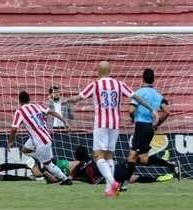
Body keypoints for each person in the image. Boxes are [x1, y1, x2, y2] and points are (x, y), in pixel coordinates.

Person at [63, 61, 158, 197]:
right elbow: (136, 97)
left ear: (98, 71)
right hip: (115, 124)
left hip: (101, 124)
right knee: (109, 156)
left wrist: (65, 101)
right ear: (110, 71)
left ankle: (113, 182)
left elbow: (78, 98)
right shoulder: (119, 84)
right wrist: (152, 109)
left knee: (98, 156)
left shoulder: (95, 84)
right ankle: (109, 190)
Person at [122, 68, 181, 191]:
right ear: (153, 80)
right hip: (149, 128)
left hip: (141, 127)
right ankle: (170, 165)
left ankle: (124, 184)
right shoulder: (157, 95)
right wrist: (157, 123)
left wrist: (133, 118)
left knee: (132, 156)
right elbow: (167, 112)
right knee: (143, 158)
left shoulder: (138, 93)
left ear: (142, 78)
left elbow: (131, 110)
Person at [7, 90, 72, 185]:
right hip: (43, 137)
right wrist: (65, 121)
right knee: (25, 150)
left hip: (41, 141)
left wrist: (10, 142)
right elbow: (53, 112)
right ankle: (43, 159)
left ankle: (65, 179)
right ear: (29, 99)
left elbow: (14, 129)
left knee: (48, 165)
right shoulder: (38, 106)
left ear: (19, 101)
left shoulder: (19, 111)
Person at [30, 146, 174, 185]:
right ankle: (161, 166)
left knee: (133, 174)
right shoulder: (91, 160)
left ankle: (160, 172)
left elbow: (62, 180)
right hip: (108, 170)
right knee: (132, 165)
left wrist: (43, 172)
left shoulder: (74, 169)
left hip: (104, 177)